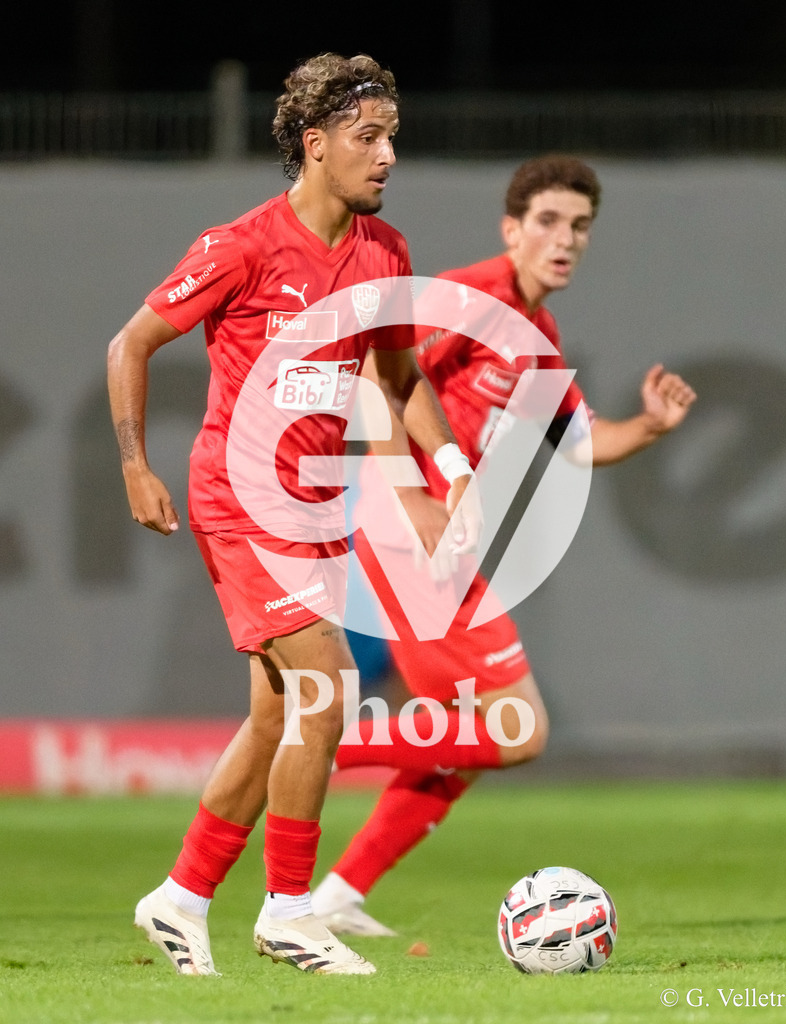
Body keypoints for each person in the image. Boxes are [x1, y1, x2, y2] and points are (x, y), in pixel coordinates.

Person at [107, 52, 480, 977]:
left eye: (391, 137)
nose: (387, 155)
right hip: (239, 501)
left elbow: (397, 374)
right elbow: (132, 342)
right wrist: (132, 465)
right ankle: (287, 913)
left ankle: (182, 897)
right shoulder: (240, 246)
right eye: (367, 138)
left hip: (313, 509)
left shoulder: (383, 253)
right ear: (315, 147)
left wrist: (444, 463)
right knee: (328, 688)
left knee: (278, 717)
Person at [308, 154, 697, 937]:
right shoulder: (472, 298)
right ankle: (318, 743)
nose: (566, 239)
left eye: (579, 226)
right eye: (548, 221)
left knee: (468, 738)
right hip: (405, 529)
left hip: (438, 544)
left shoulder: (536, 332)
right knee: (520, 730)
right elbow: (372, 377)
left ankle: (339, 893)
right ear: (511, 229)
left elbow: (582, 444)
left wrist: (649, 427)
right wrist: (410, 487)